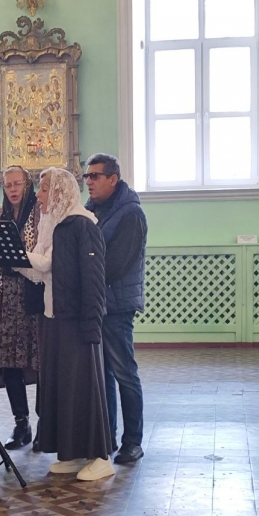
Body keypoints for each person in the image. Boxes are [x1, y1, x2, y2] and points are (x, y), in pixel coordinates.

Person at [15, 167, 114, 482]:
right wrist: (12, 260)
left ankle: (100, 457)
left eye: (44, 189)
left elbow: (94, 281)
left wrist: (92, 325)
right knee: (63, 388)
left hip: (77, 321)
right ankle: (73, 452)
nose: (39, 196)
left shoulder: (83, 224)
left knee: (85, 388)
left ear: (59, 192)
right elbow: (41, 271)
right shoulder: (54, 225)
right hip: (54, 318)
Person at [84, 153, 147, 465]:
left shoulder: (131, 213)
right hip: (98, 302)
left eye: (95, 176)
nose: (89, 182)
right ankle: (106, 436)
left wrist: (85, 280)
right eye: (87, 176)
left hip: (118, 305)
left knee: (124, 373)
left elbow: (118, 263)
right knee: (103, 374)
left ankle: (133, 441)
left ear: (113, 179)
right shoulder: (91, 210)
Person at [0, 166, 42, 450]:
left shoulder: (40, 212)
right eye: (8, 185)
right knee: (9, 363)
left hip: (32, 297)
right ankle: (21, 423)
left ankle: (44, 424)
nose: (13, 190)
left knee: (38, 362)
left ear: (27, 185)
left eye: (18, 184)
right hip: (3, 297)